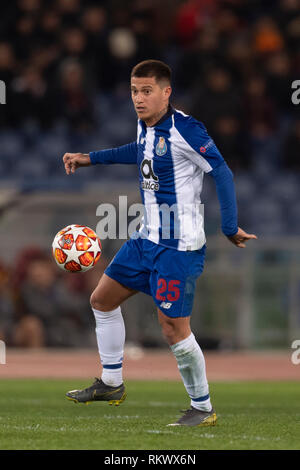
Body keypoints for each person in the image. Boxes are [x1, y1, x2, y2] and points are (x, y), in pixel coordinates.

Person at [62, 59, 257, 426]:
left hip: (178, 246)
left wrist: (230, 226)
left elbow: (223, 171)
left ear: (166, 93)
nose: (139, 98)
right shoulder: (144, 125)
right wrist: (89, 159)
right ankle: (111, 382)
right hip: (146, 238)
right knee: (101, 300)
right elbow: (139, 152)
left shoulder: (187, 130)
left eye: (147, 91)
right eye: (135, 91)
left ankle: (202, 407)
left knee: (172, 327)